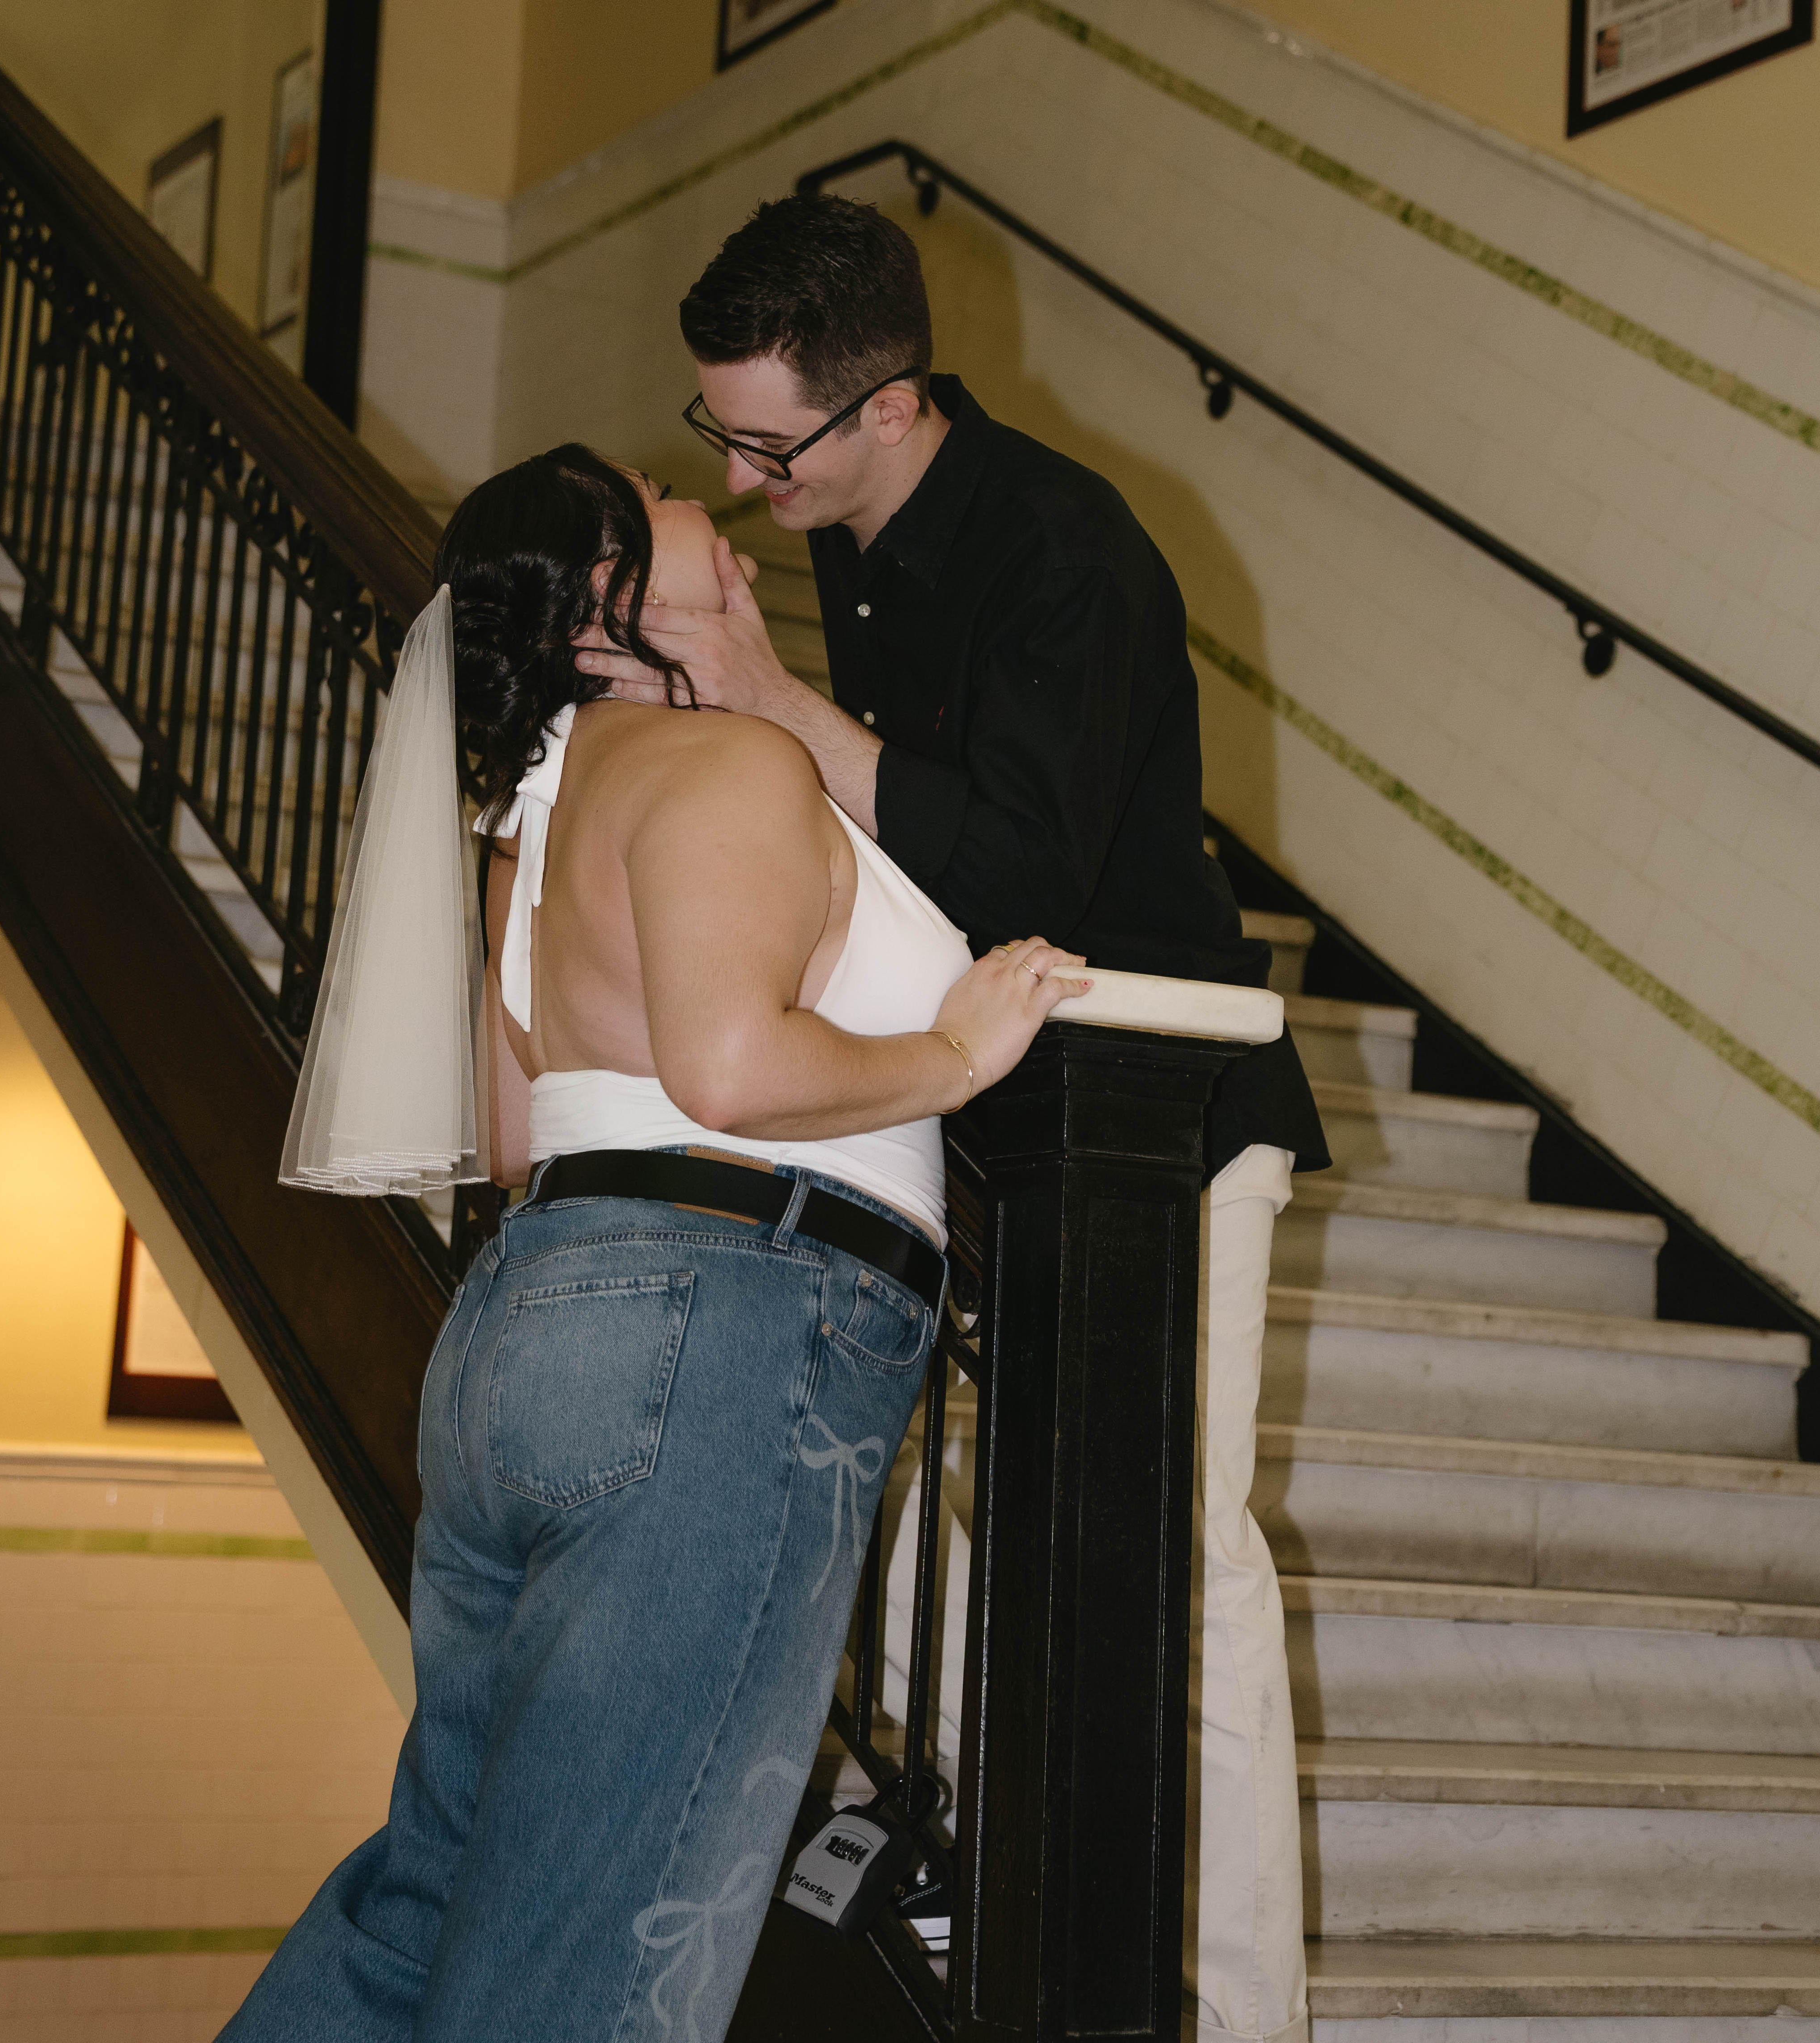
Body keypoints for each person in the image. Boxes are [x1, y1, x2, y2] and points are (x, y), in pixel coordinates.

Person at [574, 196, 1331, 2043]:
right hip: (994, 1107)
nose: (740, 483)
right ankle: (1030, 1885)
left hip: (1165, 1115)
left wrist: (769, 702)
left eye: (770, 446)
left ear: (892, 405)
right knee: (913, 1516)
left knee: (1186, 1561)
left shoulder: (1069, 546)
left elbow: (1016, 869)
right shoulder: (858, 533)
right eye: (719, 435)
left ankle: (1241, 2016)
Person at [220, 444, 1088, 2042]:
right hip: (722, 1328)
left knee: (437, 1893)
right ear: (607, 599)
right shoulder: (727, 767)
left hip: (524, 1325)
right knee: (609, 1950)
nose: (735, 539)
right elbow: (730, 1071)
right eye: (683, 513)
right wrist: (955, 1058)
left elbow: (508, 1132)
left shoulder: (532, 829)